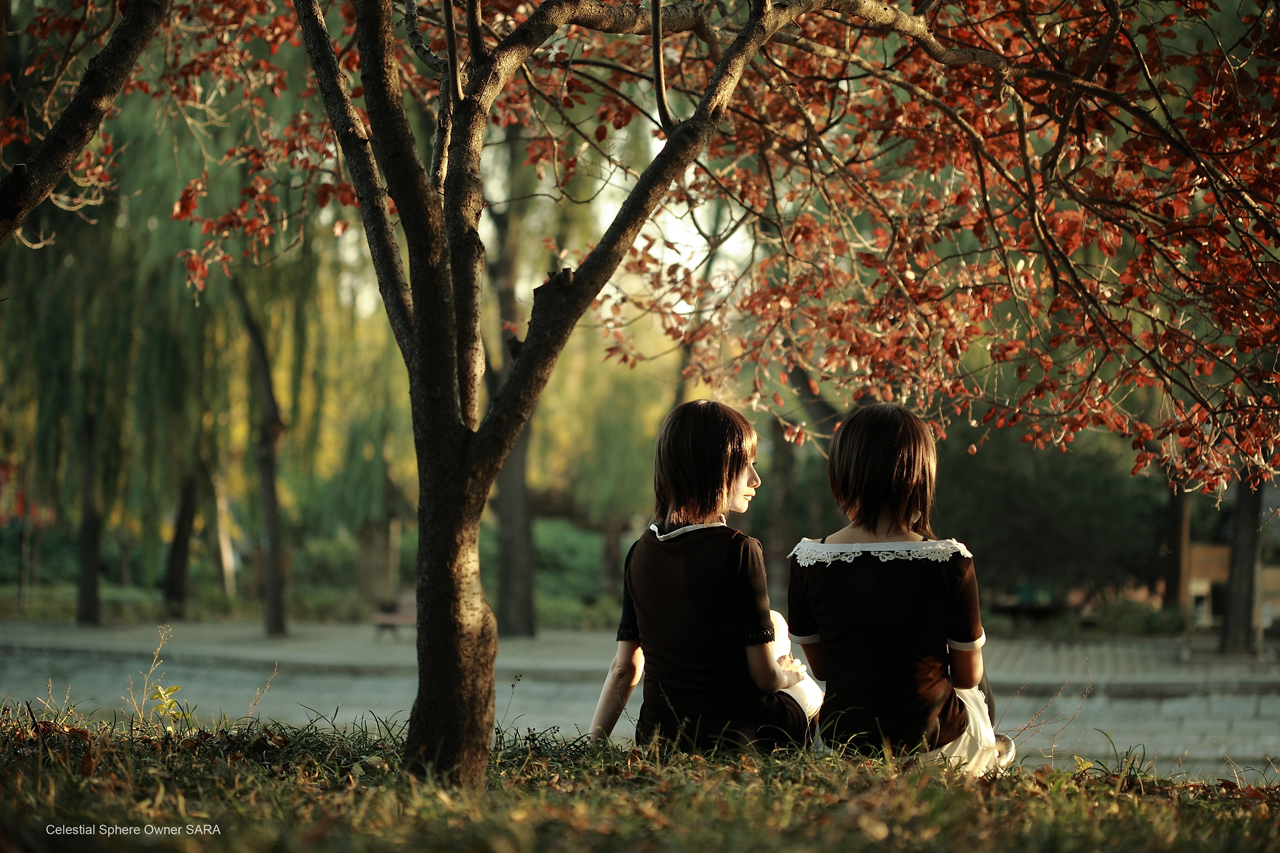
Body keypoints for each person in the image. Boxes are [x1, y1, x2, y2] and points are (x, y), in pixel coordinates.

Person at [786, 402, 1014, 776]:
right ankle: (989, 754)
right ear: (920, 477)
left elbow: (824, 668)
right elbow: (967, 678)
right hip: (937, 750)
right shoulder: (951, 560)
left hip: (844, 747)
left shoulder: (807, 561)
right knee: (976, 667)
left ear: (843, 473)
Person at [588, 400, 822, 751]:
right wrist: (788, 674)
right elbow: (764, 678)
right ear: (712, 469)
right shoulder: (739, 550)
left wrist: (593, 743)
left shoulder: (639, 552)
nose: (756, 480)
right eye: (745, 467)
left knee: (774, 623)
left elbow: (624, 667)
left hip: (660, 738)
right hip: (741, 735)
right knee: (810, 690)